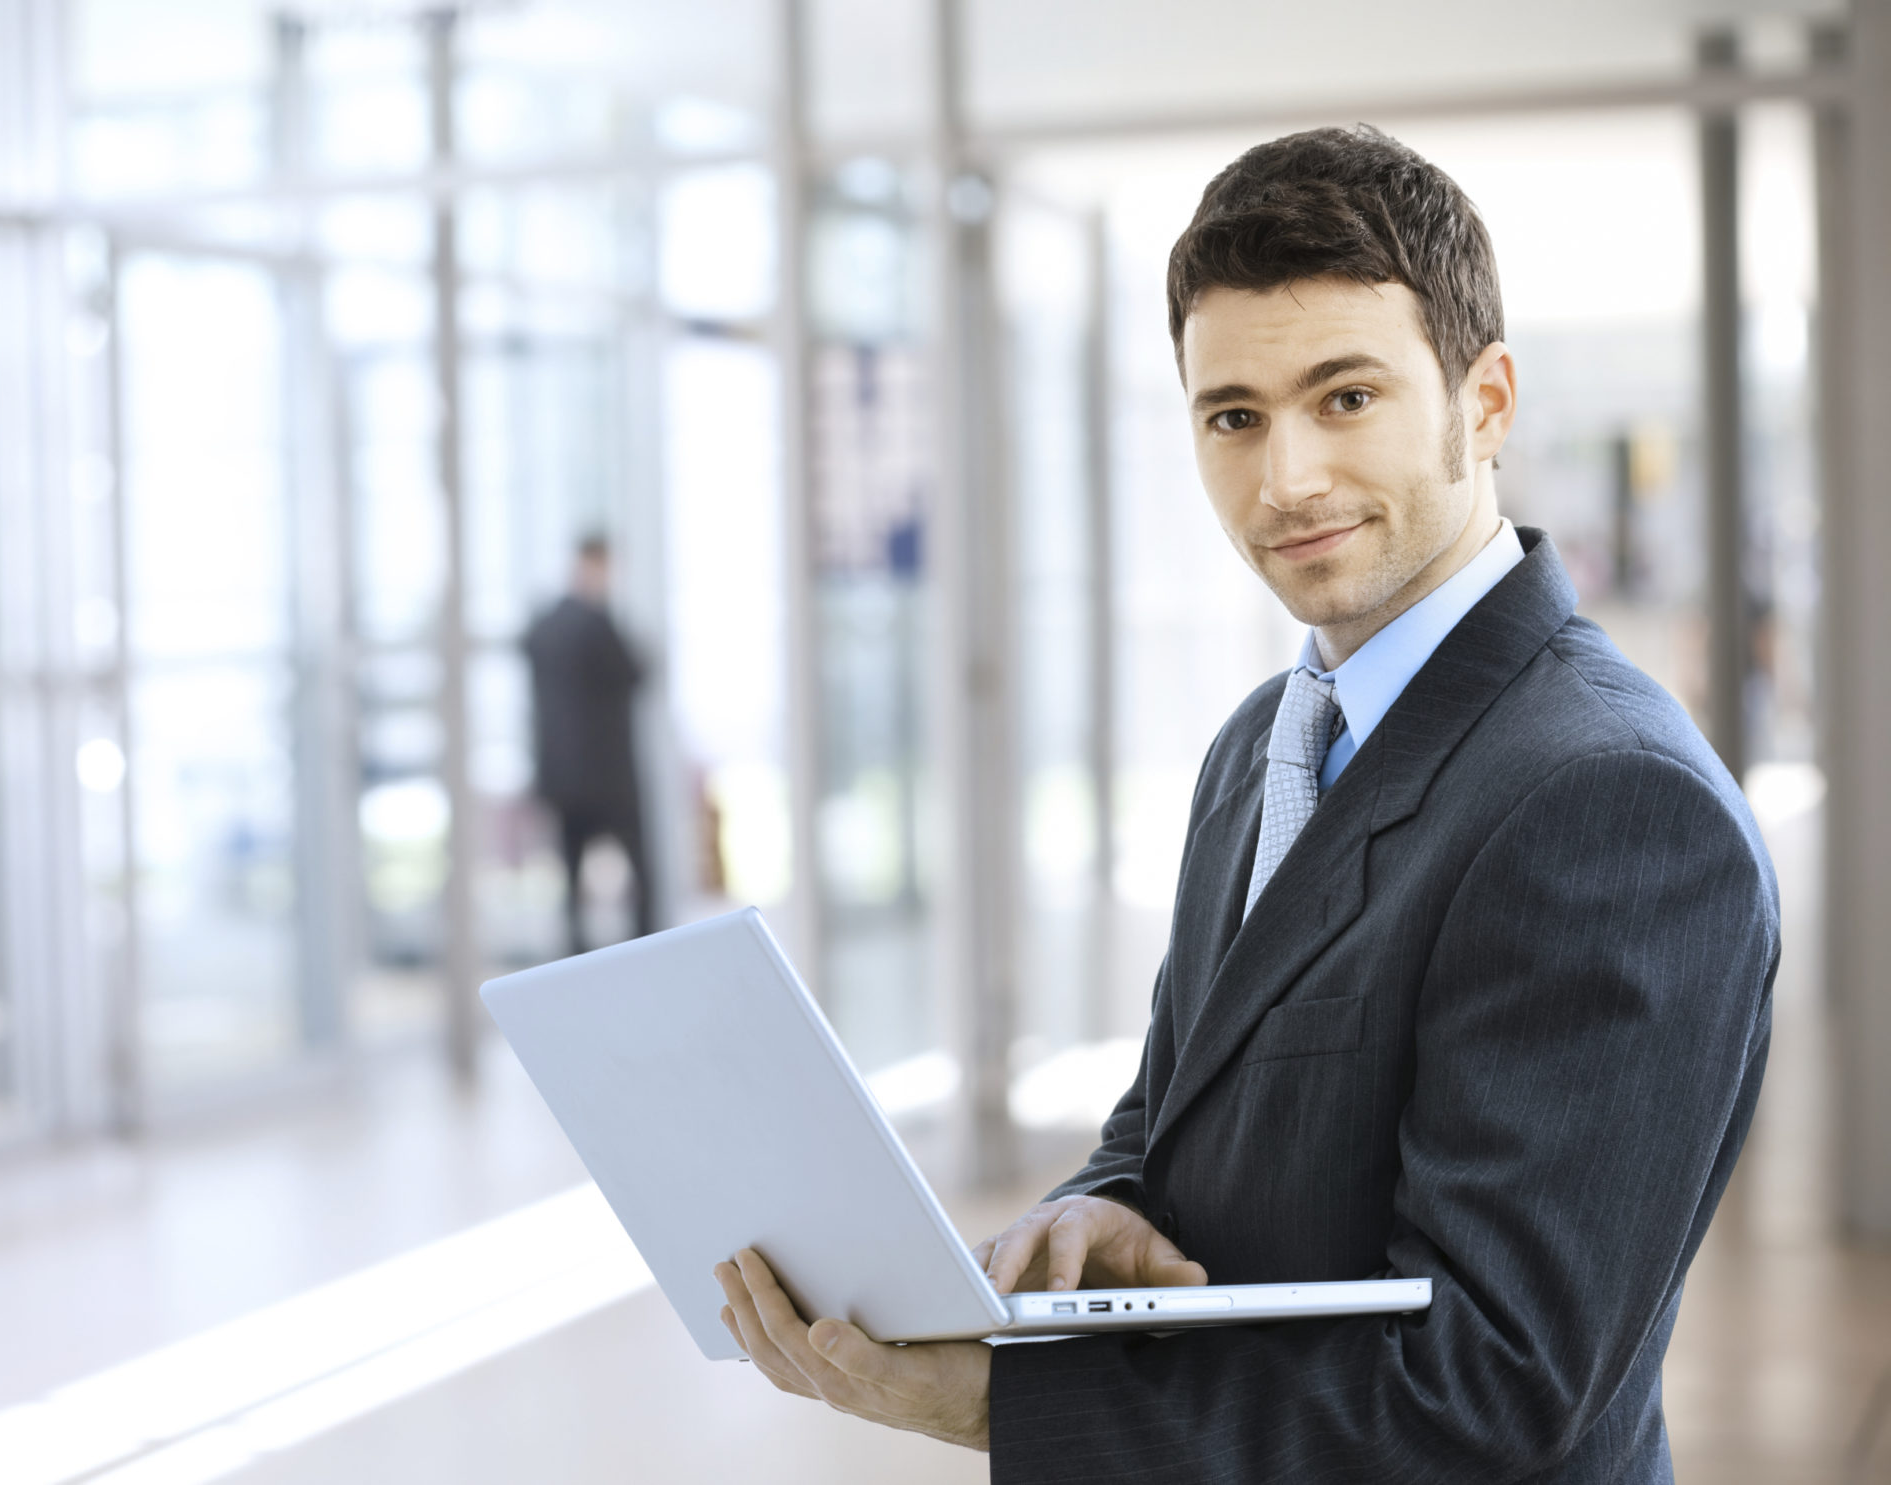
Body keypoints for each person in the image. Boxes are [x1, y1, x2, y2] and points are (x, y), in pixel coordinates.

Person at [716, 124, 1778, 1480]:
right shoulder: (1265, 745)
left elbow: (1493, 1389)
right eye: (1235, 417)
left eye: (1346, 398)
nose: (1288, 480)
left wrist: (993, 1406)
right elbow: (1171, 1115)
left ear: (1489, 401)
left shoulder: (1609, 805)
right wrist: (1092, 1219)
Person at [523, 536, 654, 955]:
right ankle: (646, 952)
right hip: (608, 778)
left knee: (572, 873)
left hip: (564, 779)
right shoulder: (598, 625)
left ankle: (575, 957)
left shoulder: (545, 627)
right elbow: (638, 674)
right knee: (640, 874)